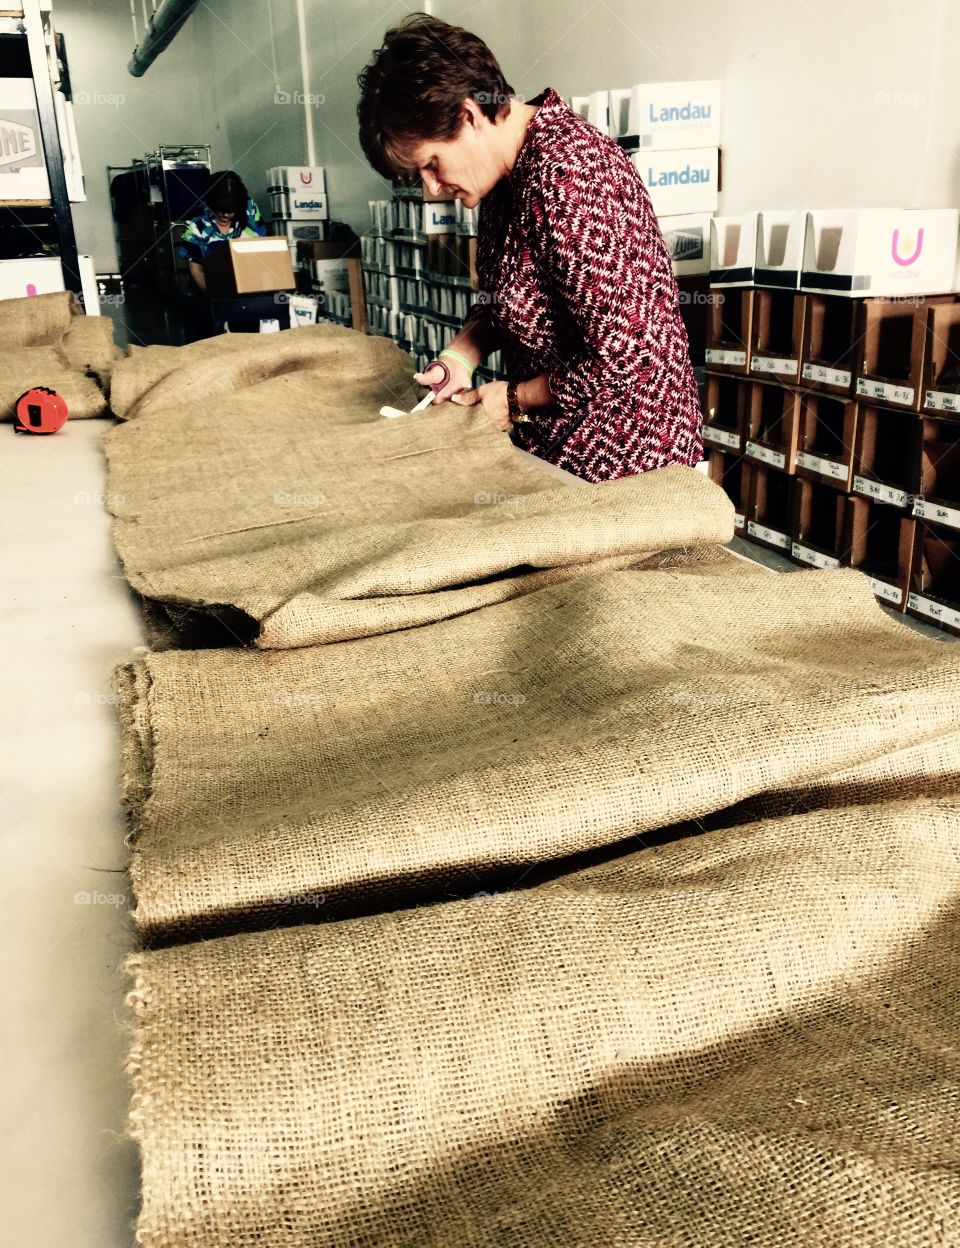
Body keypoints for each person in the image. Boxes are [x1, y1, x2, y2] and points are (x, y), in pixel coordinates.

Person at [357, 16, 703, 482]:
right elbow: (510, 300)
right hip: (556, 452)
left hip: (627, 462)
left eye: (433, 165)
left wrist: (515, 399)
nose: (433, 188)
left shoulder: (568, 175)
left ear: (470, 115)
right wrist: (460, 357)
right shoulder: (502, 179)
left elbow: (630, 357)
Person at [178, 170, 267, 294]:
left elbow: (264, 250)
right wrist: (214, 298)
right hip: (208, 286)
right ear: (211, 203)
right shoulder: (197, 221)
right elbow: (196, 270)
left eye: (231, 211)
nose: (226, 215)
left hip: (248, 282)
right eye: (221, 210)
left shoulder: (249, 209)